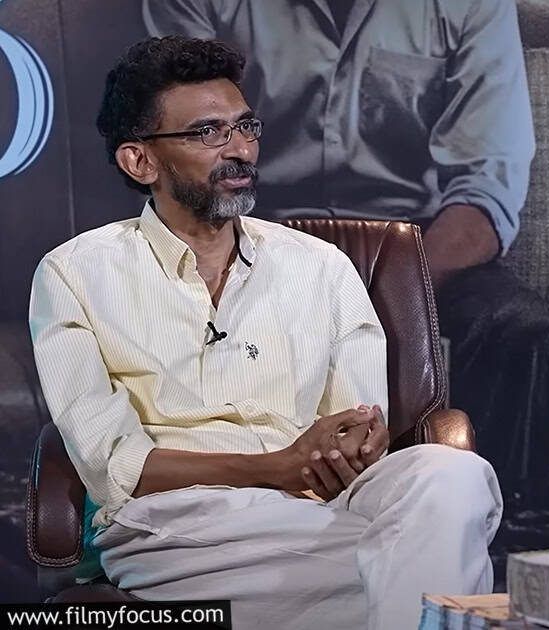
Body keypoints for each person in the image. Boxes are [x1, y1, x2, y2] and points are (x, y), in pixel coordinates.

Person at [28, 36, 501, 629]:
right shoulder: (74, 273)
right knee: (421, 565)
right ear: (140, 161)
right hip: (179, 523)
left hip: (325, 511)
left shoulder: (321, 266)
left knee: (451, 474)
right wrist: (274, 467)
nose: (240, 150)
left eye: (245, 127)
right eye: (208, 132)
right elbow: (116, 466)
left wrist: (358, 442)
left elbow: (356, 429)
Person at [143, 0, 549, 491]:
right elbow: (181, 153)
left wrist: (384, 294)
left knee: (523, 333)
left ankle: (507, 524)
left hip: (415, 246)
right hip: (249, 226)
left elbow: (485, 192)